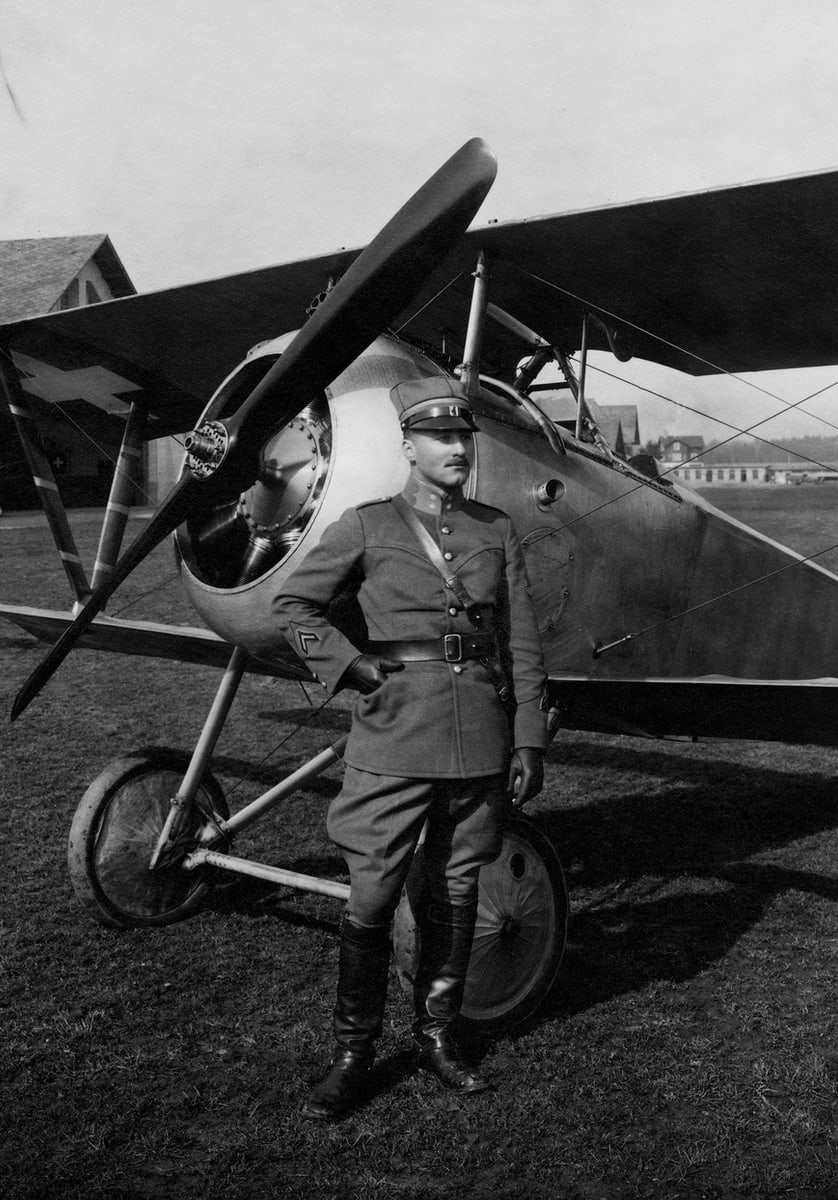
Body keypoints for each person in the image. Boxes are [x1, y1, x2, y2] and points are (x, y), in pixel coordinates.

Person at [272, 375, 548, 1121]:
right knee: (371, 893)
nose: (459, 448)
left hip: (479, 742)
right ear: (408, 447)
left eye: (465, 436)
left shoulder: (496, 528)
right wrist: (347, 664)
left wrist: (526, 737)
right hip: (393, 734)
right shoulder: (367, 526)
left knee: (457, 890)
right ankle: (355, 1055)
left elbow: (521, 643)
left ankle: (436, 1038)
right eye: (443, 438)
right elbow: (292, 605)